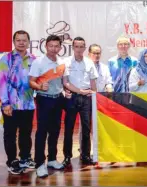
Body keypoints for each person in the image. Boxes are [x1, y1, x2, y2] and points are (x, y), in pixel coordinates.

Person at [0, 30, 36, 174]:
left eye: (24, 40)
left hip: (27, 104)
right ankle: (12, 161)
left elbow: (36, 80)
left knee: (26, 133)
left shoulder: (33, 59)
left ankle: (25, 158)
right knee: (10, 134)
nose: (21, 42)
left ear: (28, 42)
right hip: (11, 104)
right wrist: (5, 103)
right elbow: (2, 82)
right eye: (18, 40)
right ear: (14, 42)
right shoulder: (6, 59)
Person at [29, 35, 66, 178]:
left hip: (58, 99)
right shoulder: (38, 62)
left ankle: (51, 159)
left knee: (55, 130)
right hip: (44, 99)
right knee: (42, 132)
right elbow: (31, 82)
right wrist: (39, 86)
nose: (53, 49)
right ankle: (39, 163)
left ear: (60, 48)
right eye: (51, 46)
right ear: (46, 46)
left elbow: (64, 81)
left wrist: (66, 91)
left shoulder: (62, 62)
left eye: (56, 46)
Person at [62, 37, 98, 167]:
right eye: (76, 46)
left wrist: (94, 94)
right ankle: (67, 156)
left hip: (87, 98)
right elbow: (65, 82)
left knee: (86, 128)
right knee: (69, 128)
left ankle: (85, 155)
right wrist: (79, 91)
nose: (79, 49)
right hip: (71, 97)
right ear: (73, 47)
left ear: (84, 48)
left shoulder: (89, 62)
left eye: (81, 46)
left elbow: (93, 81)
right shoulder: (65, 62)